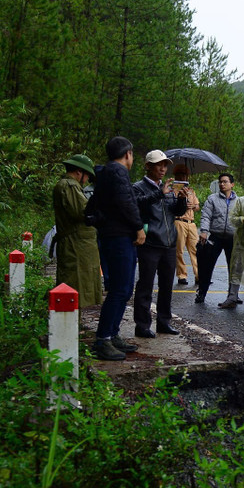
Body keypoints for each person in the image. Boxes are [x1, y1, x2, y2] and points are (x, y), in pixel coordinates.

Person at [92, 136, 144, 361]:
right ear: (128, 153)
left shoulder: (107, 172)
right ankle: (103, 339)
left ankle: (112, 334)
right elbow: (126, 203)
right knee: (120, 289)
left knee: (121, 289)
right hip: (119, 236)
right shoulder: (118, 172)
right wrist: (138, 227)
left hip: (113, 235)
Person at [132, 150, 188, 338]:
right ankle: (142, 325)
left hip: (169, 242)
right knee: (146, 285)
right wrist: (158, 193)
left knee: (166, 286)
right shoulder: (138, 187)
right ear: (148, 166)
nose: (163, 168)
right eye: (159, 164)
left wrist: (182, 200)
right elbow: (137, 206)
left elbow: (175, 212)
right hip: (150, 243)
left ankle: (164, 322)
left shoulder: (168, 187)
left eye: (165, 165)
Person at [52, 154, 103, 309]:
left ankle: (73, 323)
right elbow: (82, 212)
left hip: (78, 244)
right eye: (87, 175)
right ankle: (69, 326)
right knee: (74, 283)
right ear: (79, 172)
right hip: (75, 245)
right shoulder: (70, 186)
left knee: (77, 283)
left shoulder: (68, 186)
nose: (87, 179)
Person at [217, 174, 244, 309]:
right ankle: (232, 297)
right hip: (241, 242)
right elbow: (232, 219)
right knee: (236, 269)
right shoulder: (242, 201)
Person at [195, 172, 237, 305]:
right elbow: (206, 216)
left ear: (232, 184)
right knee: (206, 266)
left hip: (232, 238)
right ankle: (202, 292)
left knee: (233, 268)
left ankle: (233, 296)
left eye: (225, 182)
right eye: (220, 182)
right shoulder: (212, 199)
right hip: (215, 236)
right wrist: (204, 231)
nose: (222, 184)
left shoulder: (239, 201)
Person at [172, 164, 200, 286]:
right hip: (179, 221)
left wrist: (193, 206)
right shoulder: (173, 189)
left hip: (191, 223)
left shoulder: (191, 190)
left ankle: (199, 275)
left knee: (196, 250)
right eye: (181, 175)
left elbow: (198, 206)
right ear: (176, 175)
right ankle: (182, 275)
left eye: (185, 175)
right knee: (179, 250)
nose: (183, 177)